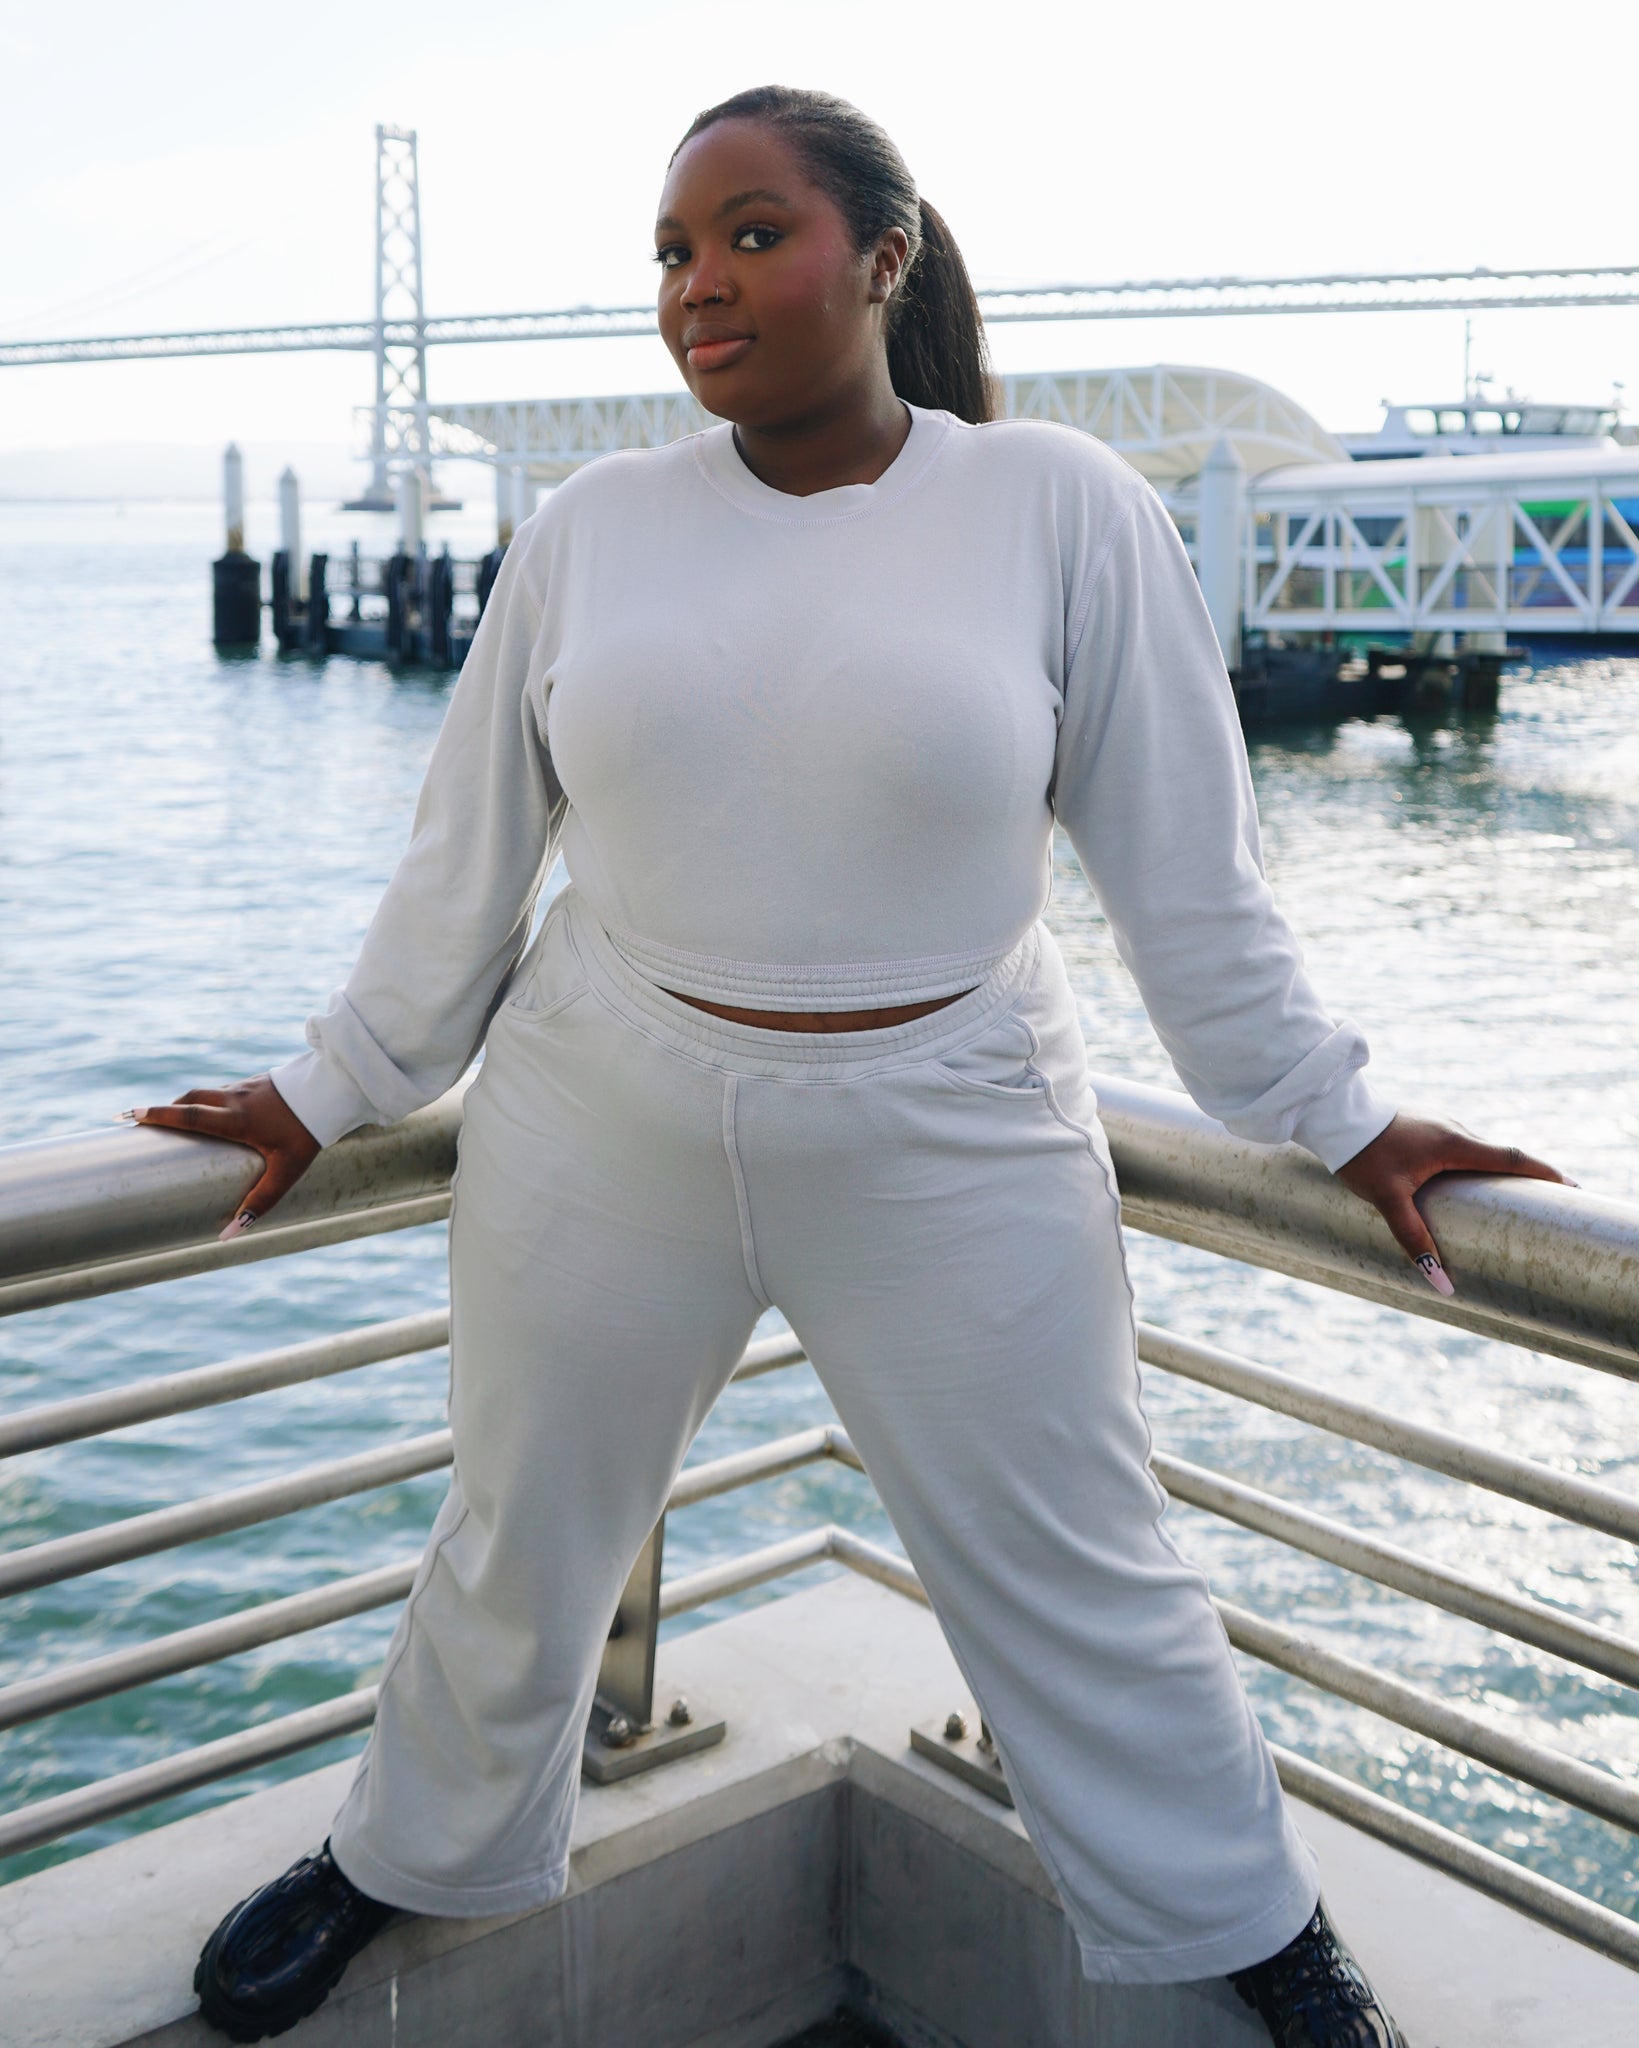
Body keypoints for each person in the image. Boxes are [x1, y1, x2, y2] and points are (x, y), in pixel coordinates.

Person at [138, 85, 1565, 2048]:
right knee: (519, 1526)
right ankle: (402, 1855)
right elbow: (465, 858)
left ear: (881, 259)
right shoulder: (590, 529)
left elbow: (1187, 875)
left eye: (748, 234)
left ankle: (1247, 1920)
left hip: (952, 1119)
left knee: (1083, 1560)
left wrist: (1332, 1110)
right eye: (667, 253)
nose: (697, 286)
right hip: (604, 1103)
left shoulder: (1058, 506)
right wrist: (326, 1081)